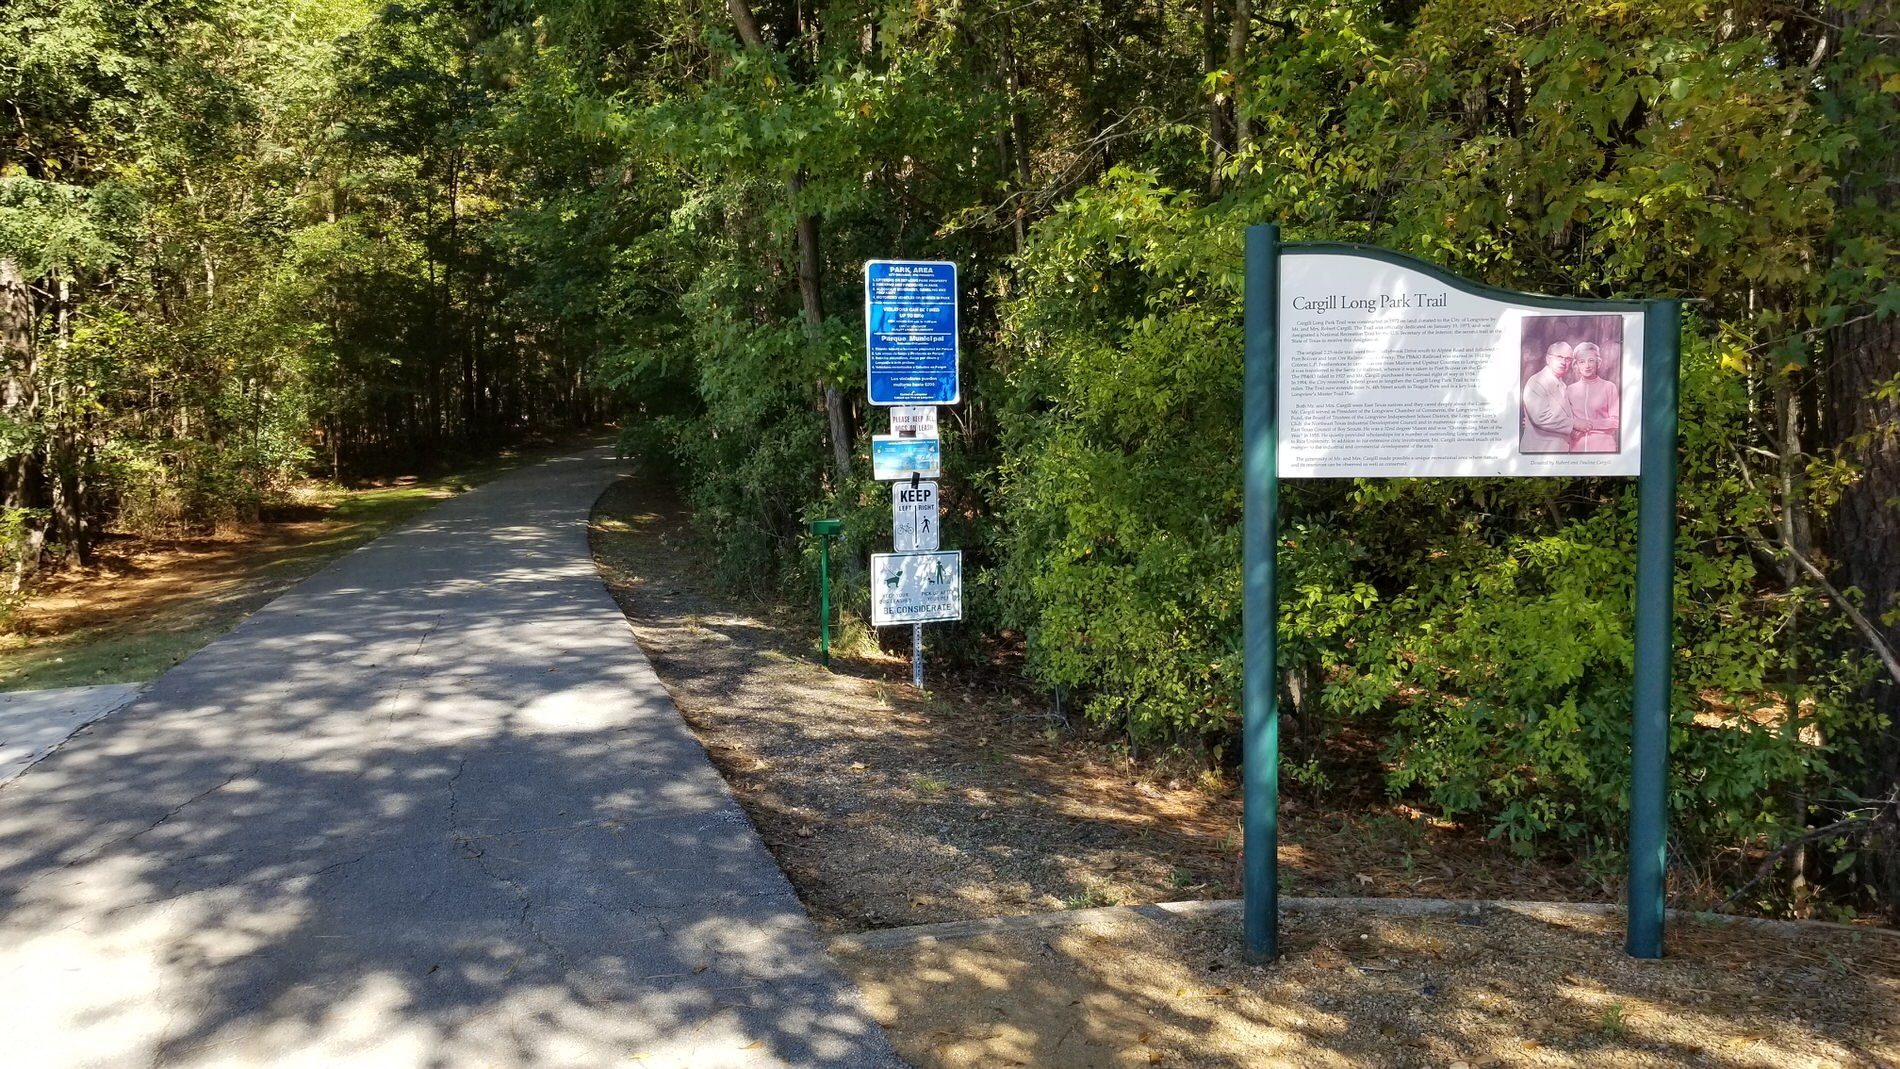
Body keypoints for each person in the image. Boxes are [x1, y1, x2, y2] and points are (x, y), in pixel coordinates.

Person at [1520, 340, 1574, 453]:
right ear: (1548, 359)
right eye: (1559, 357)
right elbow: (1542, 418)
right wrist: (1575, 424)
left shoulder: (1563, 384)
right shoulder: (1536, 382)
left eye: (1568, 359)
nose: (1564, 362)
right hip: (1540, 451)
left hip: (1558, 450)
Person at [1565, 343, 1620, 452]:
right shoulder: (1569, 390)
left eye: (1591, 360)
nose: (1587, 366)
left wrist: (1586, 424)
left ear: (1598, 363)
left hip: (1604, 447)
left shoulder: (1609, 387)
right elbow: (1565, 418)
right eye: (1582, 361)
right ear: (1576, 365)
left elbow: (1616, 421)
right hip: (1576, 447)